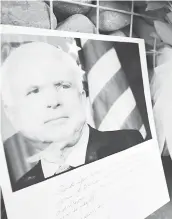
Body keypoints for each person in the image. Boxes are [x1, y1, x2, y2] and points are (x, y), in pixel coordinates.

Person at [1, 42, 144, 192]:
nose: (53, 101)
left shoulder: (129, 144)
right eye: (34, 91)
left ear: (82, 97)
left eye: (63, 85)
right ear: (13, 115)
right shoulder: (22, 191)